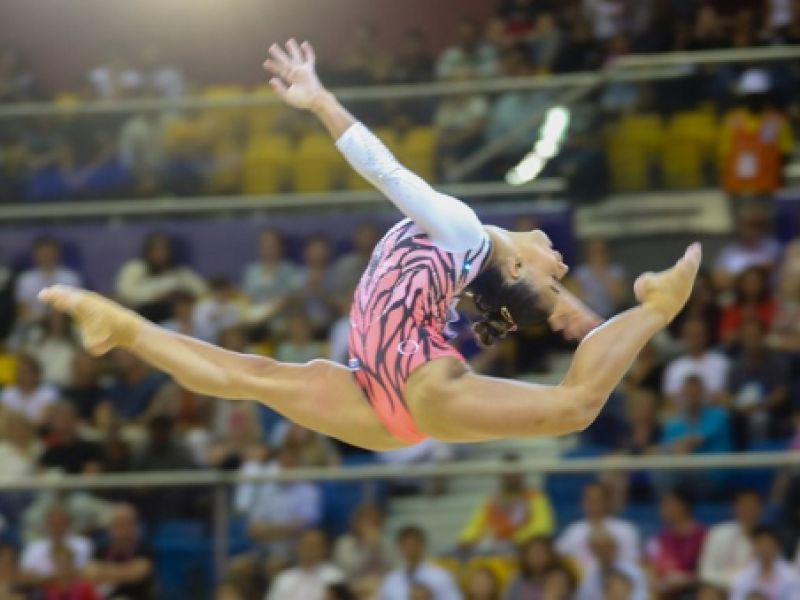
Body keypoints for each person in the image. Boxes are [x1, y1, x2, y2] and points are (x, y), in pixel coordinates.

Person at [39, 39, 702, 453]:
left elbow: (387, 171)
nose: (563, 264)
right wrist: (564, 308)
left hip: (414, 386)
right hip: (377, 398)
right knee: (251, 376)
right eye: (560, 273)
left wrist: (321, 102)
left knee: (573, 407)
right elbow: (519, 283)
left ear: (519, 267)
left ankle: (659, 308)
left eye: (557, 275)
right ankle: (122, 327)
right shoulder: (474, 247)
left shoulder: (465, 234)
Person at [458, 453, 555, 555]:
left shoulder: (535, 497)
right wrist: (466, 539)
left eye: (514, 473)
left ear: (522, 474)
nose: (510, 477)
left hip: (524, 550)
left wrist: (517, 539)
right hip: (495, 550)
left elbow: (543, 526)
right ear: (500, 475)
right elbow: (474, 525)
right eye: (507, 473)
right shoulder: (492, 501)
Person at [724, 319, 792, 448]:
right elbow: (727, 395)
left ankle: (762, 453)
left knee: (760, 419)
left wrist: (758, 406)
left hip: (771, 414)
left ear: (763, 337)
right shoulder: (736, 366)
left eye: (755, 336)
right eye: (747, 337)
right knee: (725, 419)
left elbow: (781, 394)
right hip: (741, 413)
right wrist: (737, 405)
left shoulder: (778, 362)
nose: (752, 341)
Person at [115, 232, 207, 323]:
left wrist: (179, 296)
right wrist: (154, 297)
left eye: (164, 249)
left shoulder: (180, 273)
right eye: (156, 249)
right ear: (148, 251)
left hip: (173, 319)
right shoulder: (134, 268)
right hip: (142, 315)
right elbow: (125, 293)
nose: (161, 253)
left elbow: (202, 292)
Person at [556, 482, 641, 576]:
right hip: (582, 581)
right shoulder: (573, 531)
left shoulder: (626, 530)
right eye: (589, 499)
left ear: (608, 501)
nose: (594, 504)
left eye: (598, 499)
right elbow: (560, 559)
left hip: (618, 579)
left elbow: (633, 563)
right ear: (582, 503)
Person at [83, 503, 155, 600]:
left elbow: (136, 574)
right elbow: (90, 574)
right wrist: (125, 571)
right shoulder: (101, 549)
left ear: (135, 526)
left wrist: (103, 572)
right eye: (118, 523)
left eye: (127, 523)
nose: (123, 528)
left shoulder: (144, 549)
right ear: (110, 527)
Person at [647, 489, 707, 599]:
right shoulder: (659, 539)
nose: (662, 509)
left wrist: (687, 579)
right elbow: (651, 569)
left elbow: (710, 572)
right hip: (665, 592)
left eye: (667, 504)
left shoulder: (705, 536)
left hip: (695, 590)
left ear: (682, 506)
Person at [700, 491, 764, 591]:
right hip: (721, 587)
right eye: (745, 507)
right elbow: (706, 571)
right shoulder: (718, 533)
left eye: (753, 508)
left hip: (754, 591)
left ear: (761, 510)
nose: (750, 512)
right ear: (735, 509)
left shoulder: (768, 538)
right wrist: (730, 584)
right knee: (708, 593)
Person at [378, 526, 462, 600]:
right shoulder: (391, 580)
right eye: (405, 545)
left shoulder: (441, 577)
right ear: (399, 547)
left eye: (413, 544)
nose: (409, 549)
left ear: (422, 545)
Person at [15, 236, 82, 325]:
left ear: (57, 253)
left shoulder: (70, 278)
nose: (47, 256)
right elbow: (23, 314)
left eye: (50, 252)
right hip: (34, 325)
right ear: (35, 254)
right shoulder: (26, 279)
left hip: (66, 325)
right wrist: (45, 319)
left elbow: (77, 311)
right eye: (43, 252)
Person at [662, 319, 730, 407]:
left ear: (706, 336)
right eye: (690, 335)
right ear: (683, 338)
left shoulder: (721, 363)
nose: (695, 339)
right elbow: (669, 401)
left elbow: (726, 396)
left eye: (698, 335)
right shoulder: (674, 367)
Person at [19, 504, 93, 584]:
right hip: (41, 588)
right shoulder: (33, 547)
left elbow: (88, 572)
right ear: (46, 524)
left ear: (69, 523)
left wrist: (48, 578)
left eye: (61, 523)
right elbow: (24, 576)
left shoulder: (83, 544)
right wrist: (55, 579)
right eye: (53, 523)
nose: (57, 527)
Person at [267, 530, 344, 600]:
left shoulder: (335, 577)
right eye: (306, 545)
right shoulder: (284, 578)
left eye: (314, 545)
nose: (309, 549)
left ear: (325, 549)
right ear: (298, 547)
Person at [576, 527, 648, 600]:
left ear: (615, 548)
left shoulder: (634, 572)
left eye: (606, 547)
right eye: (598, 548)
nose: (603, 552)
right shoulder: (590, 578)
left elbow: (641, 596)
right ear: (593, 551)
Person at [730, 526, 800, 600]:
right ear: (754, 546)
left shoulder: (791, 576)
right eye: (761, 544)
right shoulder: (745, 576)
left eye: (768, 543)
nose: (765, 548)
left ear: (777, 546)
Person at [569, 239, 627, 319]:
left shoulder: (616, 271)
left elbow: (620, 298)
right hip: (587, 315)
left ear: (607, 252)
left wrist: (601, 272)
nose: (597, 255)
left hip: (612, 315)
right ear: (588, 253)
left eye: (601, 251)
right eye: (593, 252)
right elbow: (574, 298)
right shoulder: (580, 272)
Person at [39, 402, 103, 475]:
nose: (63, 425)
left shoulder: (90, 449)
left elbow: (93, 477)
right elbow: (42, 475)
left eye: (67, 419)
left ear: (75, 421)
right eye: (60, 420)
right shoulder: (49, 453)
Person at [332, 503, 389, 582]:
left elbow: (394, 568)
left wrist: (379, 547)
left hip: (381, 585)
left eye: (375, 522)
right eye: (367, 521)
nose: (371, 526)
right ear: (356, 522)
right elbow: (347, 571)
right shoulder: (344, 543)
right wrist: (368, 548)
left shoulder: (385, 543)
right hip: (352, 584)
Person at [0, 353, 59, 427]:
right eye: (20, 372)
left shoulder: (48, 393)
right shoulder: (8, 392)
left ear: (37, 375)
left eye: (26, 372)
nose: (22, 376)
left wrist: (20, 424)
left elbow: (43, 421)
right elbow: (3, 419)